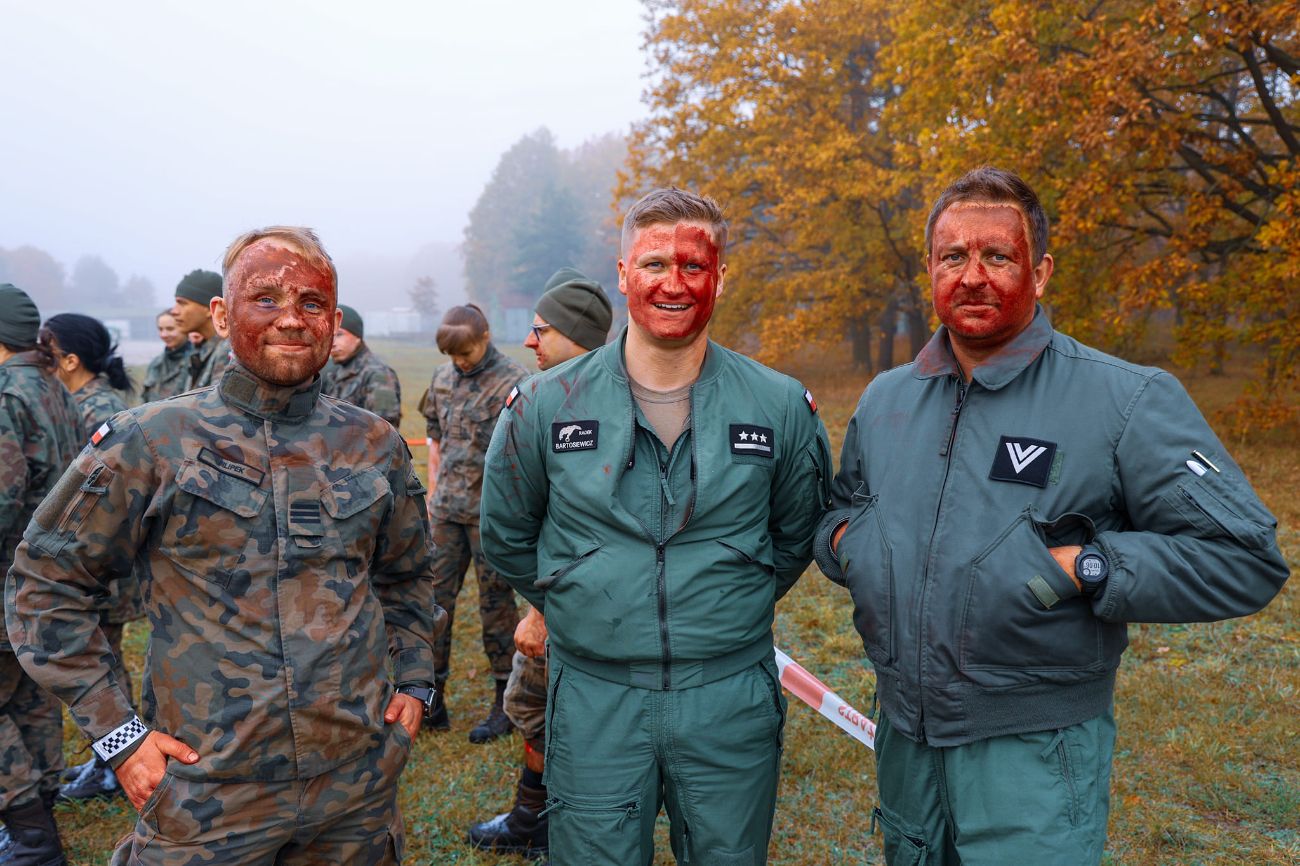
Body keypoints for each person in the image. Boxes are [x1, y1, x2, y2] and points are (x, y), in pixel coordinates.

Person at [813, 167, 1290, 865]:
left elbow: (1244, 557)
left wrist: (1085, 566)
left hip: (1035, 757)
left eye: (997, 256)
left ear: (1040, 273)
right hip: (907, 746)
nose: (973, 276)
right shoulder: (888, 400)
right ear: (929, 269)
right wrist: (851, 545)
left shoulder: (1122, 400)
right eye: (954, 257)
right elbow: (841, 512)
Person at [7, 227, 445, 864]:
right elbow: (44, 586)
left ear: (333, 315)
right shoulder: (151, 441)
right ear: (220, 314)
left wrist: (415, 682)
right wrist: (121, 737)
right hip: (206, 795)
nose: (291, 320)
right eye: (265, 299)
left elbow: (406, 575)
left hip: (355, 791)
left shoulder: (374, 444)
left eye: (313, 304)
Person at [480, 188, 832, 864]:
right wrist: (585, 597)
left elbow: (795, 537)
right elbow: (507, 536)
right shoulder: (545, 405)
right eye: (652, 265)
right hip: (594, 696)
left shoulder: (779, 404)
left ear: (721, 275)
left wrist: (720, 605)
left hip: (727, 696)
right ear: (621, 275)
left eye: (693, 266)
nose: (674, 284)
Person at [467, 267, 612, 859]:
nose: (529, 341)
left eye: (541, 330)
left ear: (574, 336)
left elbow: (589, 527)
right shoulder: (554, 399)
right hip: (555, 594)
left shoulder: (597, 409)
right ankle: (537, 816)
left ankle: (555, 823)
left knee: (547, 708)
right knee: (535, 706)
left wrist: (543, 612)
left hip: (574, 606)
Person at [38, 313, 147, 803]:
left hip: (102, 562)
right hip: (89, 559)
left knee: (103, 662)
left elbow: (105, 499)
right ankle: (110, 758)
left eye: (47, 348)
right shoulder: (75, 400)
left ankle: (118, 760)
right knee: (101, 658)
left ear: (70, 358)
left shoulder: (97, 407)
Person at [0, 285, 84, 865]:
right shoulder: (54, 386)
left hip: (7, 569)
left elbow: (3, 498)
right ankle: (38, 822)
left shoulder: (6, 393)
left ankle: (28, 830)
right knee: (31, 694)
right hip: (47, 577)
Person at [418, 304, 528, 741]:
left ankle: (505, 701)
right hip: (445, 512)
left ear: (484, 337)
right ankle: (431, 697)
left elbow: (526, 455)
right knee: (432, 603)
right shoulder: (443, 379)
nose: (459, 362)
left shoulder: (514, 383)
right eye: (452, 354)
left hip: (491, 517)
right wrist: (432, 489)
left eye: (464, 352)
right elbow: (434, 433)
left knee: (495, 607)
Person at [320, 304, 402, 428]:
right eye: (328, 336)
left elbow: (384, 433)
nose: (333, 343)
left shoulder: (378, 375)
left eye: (340, 335)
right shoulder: (336, 371)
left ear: (358, 336)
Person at [170, 268, 229, 389]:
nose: (174, 311)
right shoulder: (200, 350)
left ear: (209, 308)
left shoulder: (229, 351)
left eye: (182, 303)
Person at [140, 309, 192, 402]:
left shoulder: (196, 361)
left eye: (170, 329)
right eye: (160, 329)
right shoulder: (156, 364)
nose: (164, 334)